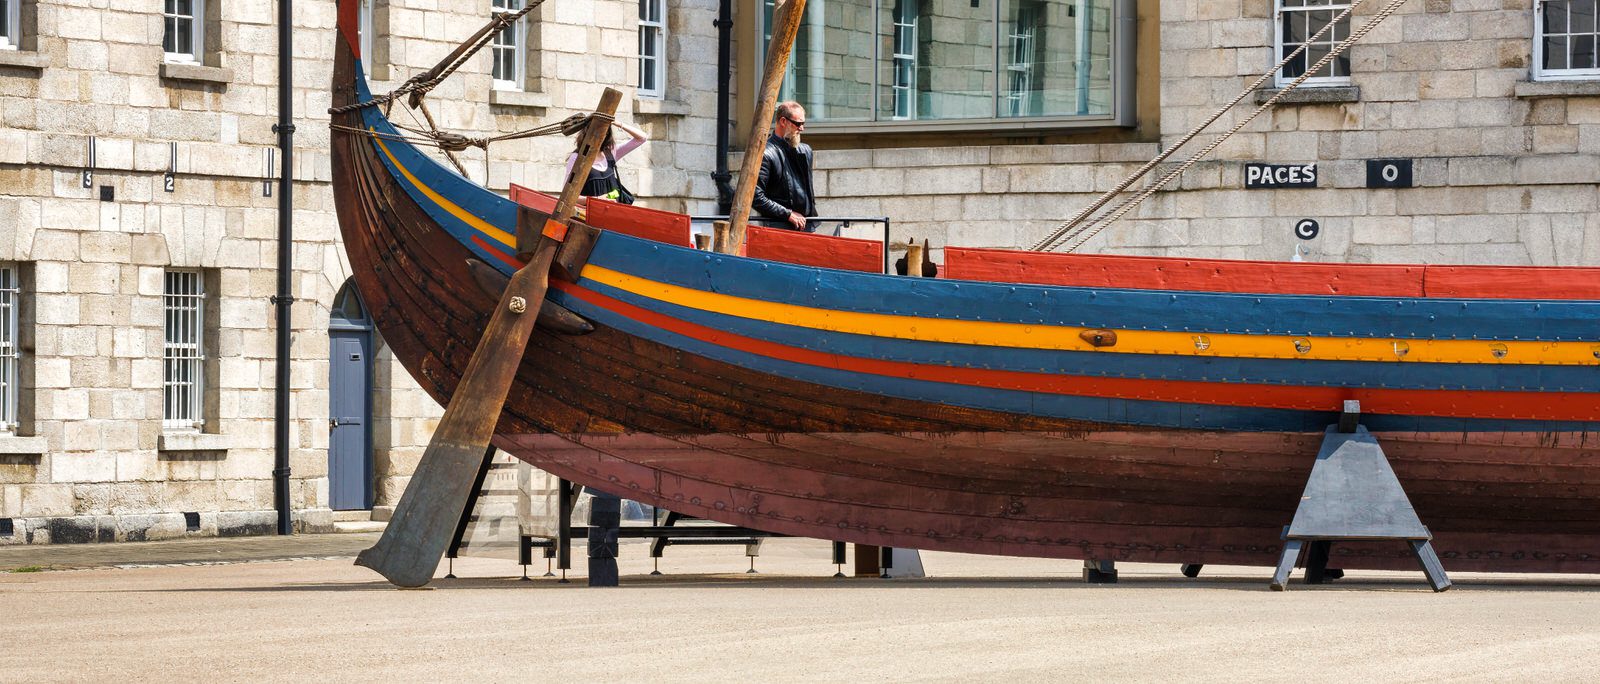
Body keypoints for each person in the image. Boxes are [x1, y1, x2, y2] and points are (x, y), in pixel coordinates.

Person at [752, 101, 817, 231]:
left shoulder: (805, 151)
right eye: (798, 124)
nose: (802, 128)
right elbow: (755, 196)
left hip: (807, 226)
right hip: (778, 228)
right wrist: (787, 214)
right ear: (783, 121)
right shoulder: (766, 153)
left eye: (803, 123)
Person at [567, 120, 647, 204]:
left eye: (604, 132)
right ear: (586, 133)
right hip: (591, 214)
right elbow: (568, 197)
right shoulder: (576, 158)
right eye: (595, 132)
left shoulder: (610, 152)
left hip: (614, 211)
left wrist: (619, 123)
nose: (599, 136)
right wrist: (597, 199)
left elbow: (642, 138)